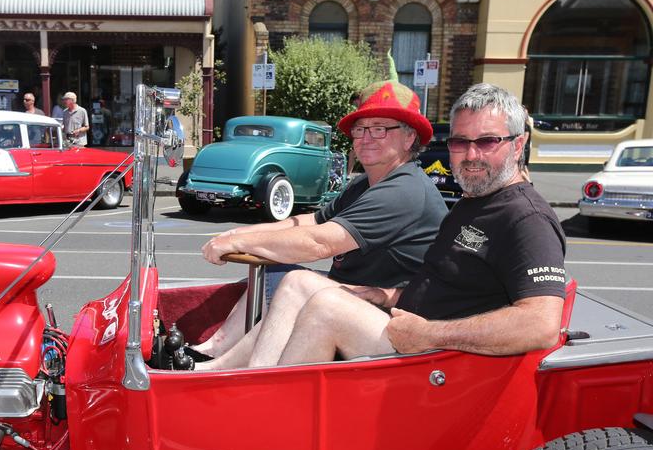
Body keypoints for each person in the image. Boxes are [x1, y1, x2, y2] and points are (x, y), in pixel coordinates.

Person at [244, 83, 565, 368]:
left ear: (518, 145)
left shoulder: (527, 218)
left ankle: (269, 411)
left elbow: (540, 324)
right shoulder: (473, 202)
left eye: (487, 141)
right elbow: (447, 286)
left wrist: (429, 334)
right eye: (459, 142)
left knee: (328, 307)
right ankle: (245, 381)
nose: (470, 154)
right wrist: (388, 296)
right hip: (408, 327)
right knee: (298, 282)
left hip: (437, 359)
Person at [194, 65, 447, 369]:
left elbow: (320, 242)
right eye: (360, 129)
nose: (366, 137)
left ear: (409, 139)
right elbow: (309, 221)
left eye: (380, 128)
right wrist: (236, 236)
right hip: (359, 300)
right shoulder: (365, 183)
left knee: (297, 282)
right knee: (280, 273)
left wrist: (239, 240)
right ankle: (211, 355)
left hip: (397, 322)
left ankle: (244, 381)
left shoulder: (404, 190)